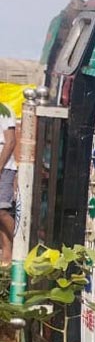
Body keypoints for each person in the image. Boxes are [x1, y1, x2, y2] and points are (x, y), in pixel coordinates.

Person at [0, 105, 16, 264]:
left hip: (4, 167)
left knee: (2, 210)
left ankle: (23, 243)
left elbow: (11, 141)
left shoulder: (4, 110)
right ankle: (7, 255)